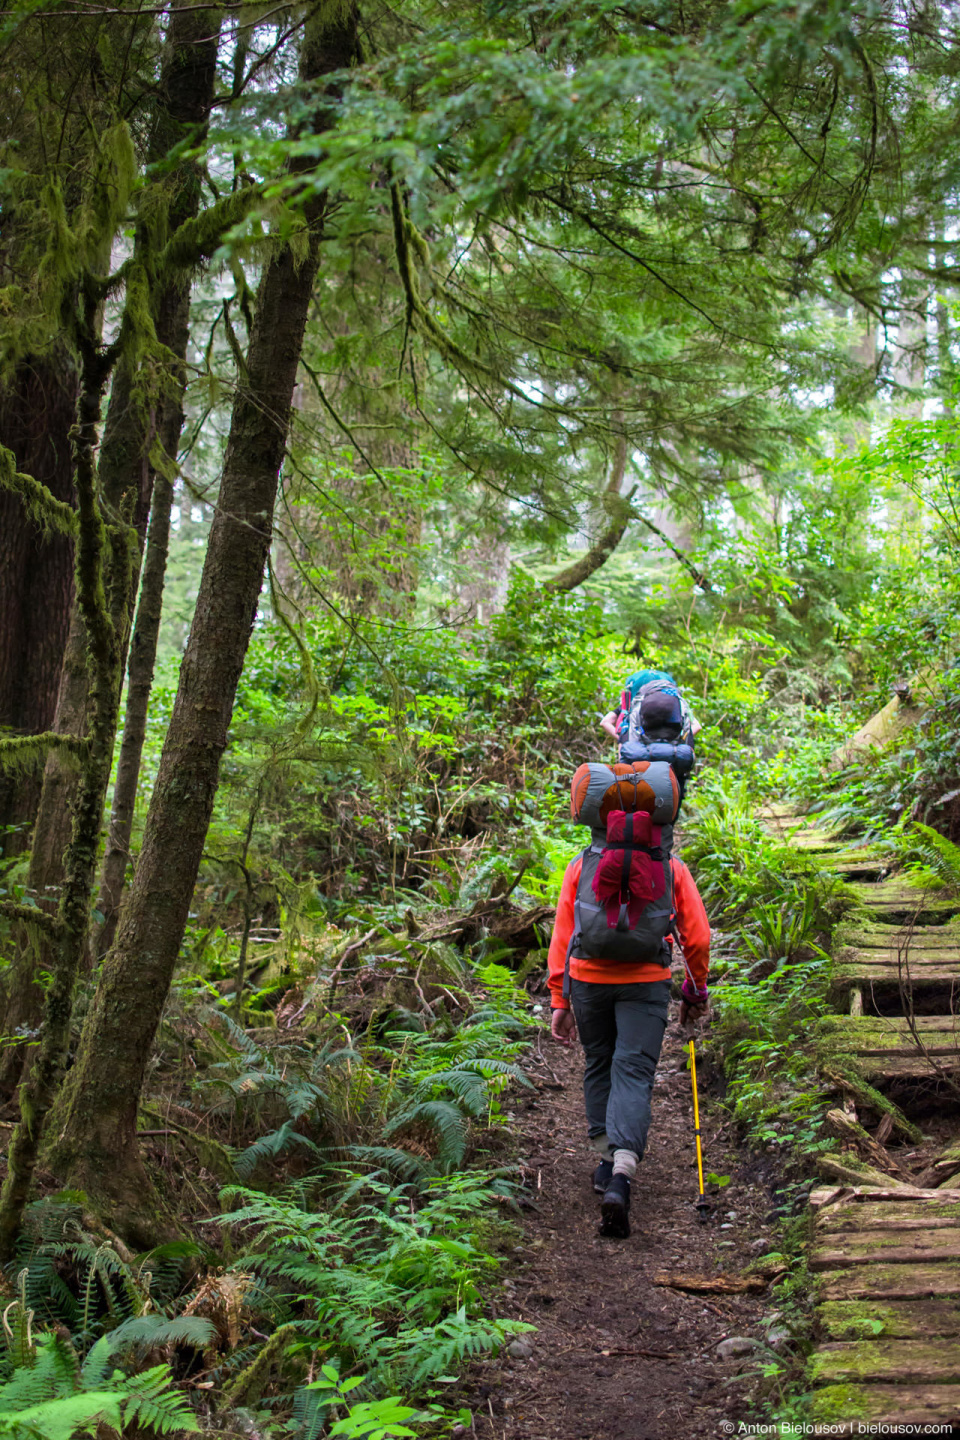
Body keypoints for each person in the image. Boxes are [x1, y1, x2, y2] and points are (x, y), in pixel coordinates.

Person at [547, 851, 710, 1238]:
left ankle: (606, 1160)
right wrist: (695, 990)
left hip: (588, 980)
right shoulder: (670, 866)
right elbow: (697, 936)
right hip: (647, 979)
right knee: (633, 1070)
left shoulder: (580, 866)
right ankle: (622, 1171)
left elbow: (563, 933)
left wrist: (560, 998)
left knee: (600, 1062)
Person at [600, 666, 701, 747]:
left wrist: (623, 738)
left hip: (639, 754)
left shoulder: (632, 704)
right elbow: (697, 726)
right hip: (671, 753)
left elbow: (605, 722)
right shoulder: (676, 704)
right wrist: (680, 740)